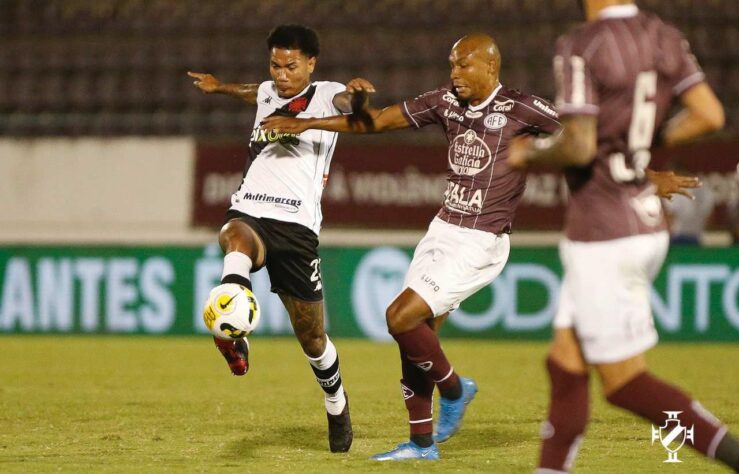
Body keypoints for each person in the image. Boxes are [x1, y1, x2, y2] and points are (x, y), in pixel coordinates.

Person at [263, 32, 563, 461]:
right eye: (451, 64)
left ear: (491, 67)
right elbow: (378, 121)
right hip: (443, 229)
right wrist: (308, 122)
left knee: (399, 317)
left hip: (482, 238)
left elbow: (586, 138)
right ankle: (422, 444)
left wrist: (641, 176)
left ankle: (456, 390)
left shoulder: (521, 107)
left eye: (464, 65)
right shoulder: (445, 102)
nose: (454, 73)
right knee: (414, 337)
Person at [508, 1, 739, 472]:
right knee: (565, 360)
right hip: (644, 221)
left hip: (603, 232)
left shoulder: (581, 44)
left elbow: (579, 143)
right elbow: (710, 114)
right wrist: (641, 150)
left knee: (624, 382)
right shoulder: (665, 36)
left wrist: (529, 152)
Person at [188, 24, 368, 453]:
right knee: (233, 234)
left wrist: (359, 95)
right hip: (252, 205)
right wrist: (218, 89)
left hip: (297, 226)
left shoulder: (327, 93)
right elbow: (256, 91)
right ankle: (234, 322)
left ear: (311, 64)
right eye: (275, 64)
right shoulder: (270, 90)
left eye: (291, 66)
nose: (282, 74)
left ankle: (335, 402)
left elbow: (351, 106)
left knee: (313, 338)